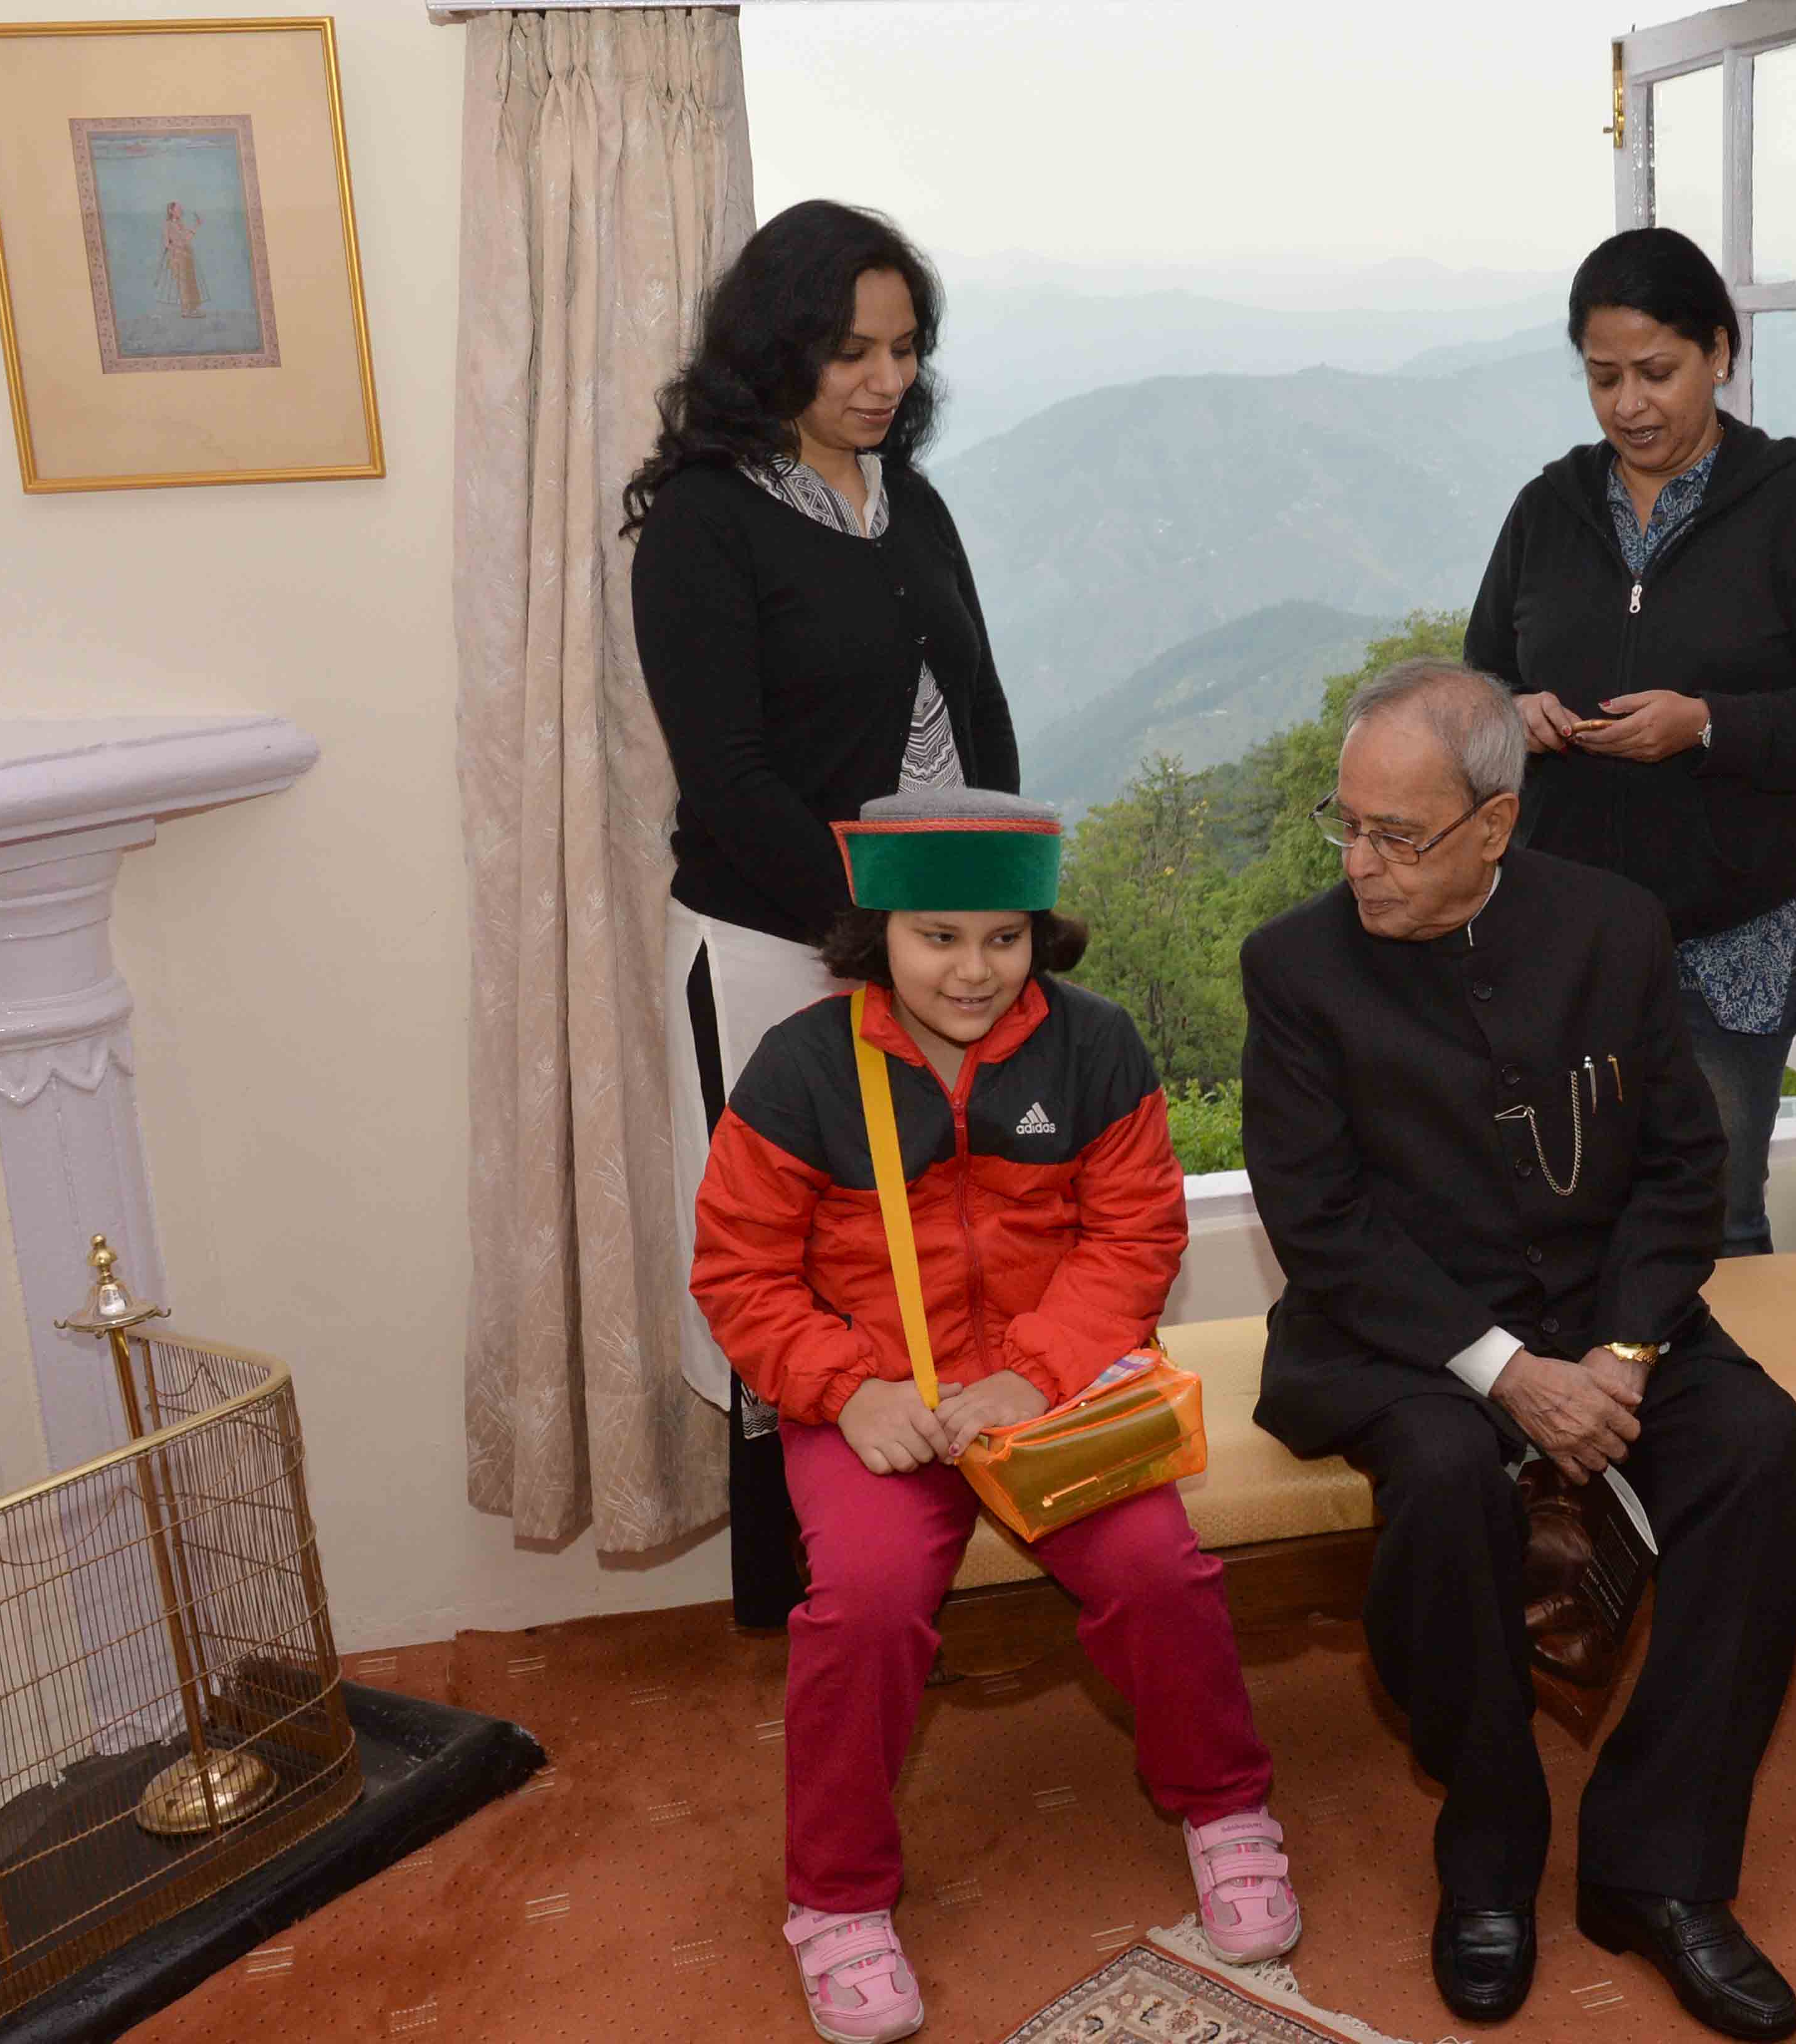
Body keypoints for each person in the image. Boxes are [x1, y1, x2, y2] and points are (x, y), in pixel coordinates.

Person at [1239, 661, 1796, 2040]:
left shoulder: (1612, 925)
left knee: (1753, 1442)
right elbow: (1322, 1224)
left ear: (1495, 825)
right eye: (1348, 825)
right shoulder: (1297, 965)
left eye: (1399, 834)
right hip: (1404, 1328)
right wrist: (1504, 1368)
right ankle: (1487, 1856)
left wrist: (1621, 1348)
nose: (1361, 863)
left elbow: (1684, 1162)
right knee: (1439, 1476)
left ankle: (1658, 1873)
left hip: (1612, 1312)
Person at [694, 790, 1299, 2044]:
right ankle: (837, 1899)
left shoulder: (1097, 1047)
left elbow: (1135, 1235)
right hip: (873, 1402)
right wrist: (847, 1389)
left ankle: (1226, 1810)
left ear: (1039, 935)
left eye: (1003, 937)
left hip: (1050, 1391)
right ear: (880, 934)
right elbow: (740, 1273)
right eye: (939, 935)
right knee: (860, 1600)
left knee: (1156, 1565)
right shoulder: (801, 1067)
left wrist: (1035, 1371)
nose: (972, 968)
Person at [625, 200, 1022, 1628]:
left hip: (928, 950)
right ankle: (795, 1588)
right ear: (774, 345)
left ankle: (917, 1547)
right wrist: (877, 933)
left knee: (922, 1232)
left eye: (904, 349)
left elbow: (977, 717)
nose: (882, 379)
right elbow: (725, 778)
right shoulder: (701, 522)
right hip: (768, 947)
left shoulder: (911, 504)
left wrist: (985, 910)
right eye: (848, 349)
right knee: (790, 1253)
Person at [1467, 227, 1796, 1259]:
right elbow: (1477, 675)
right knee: (1562, 1207)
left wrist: (1706, 724)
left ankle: (1723, 1420)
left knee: (1713, 1217)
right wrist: (1512, 712)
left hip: (1732, 928)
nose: (1630, 405)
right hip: (1563, 932)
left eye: (1657, 372)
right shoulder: (1547, 510)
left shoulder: (1794, 510)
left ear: (1719, 353)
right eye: (1603, 377)